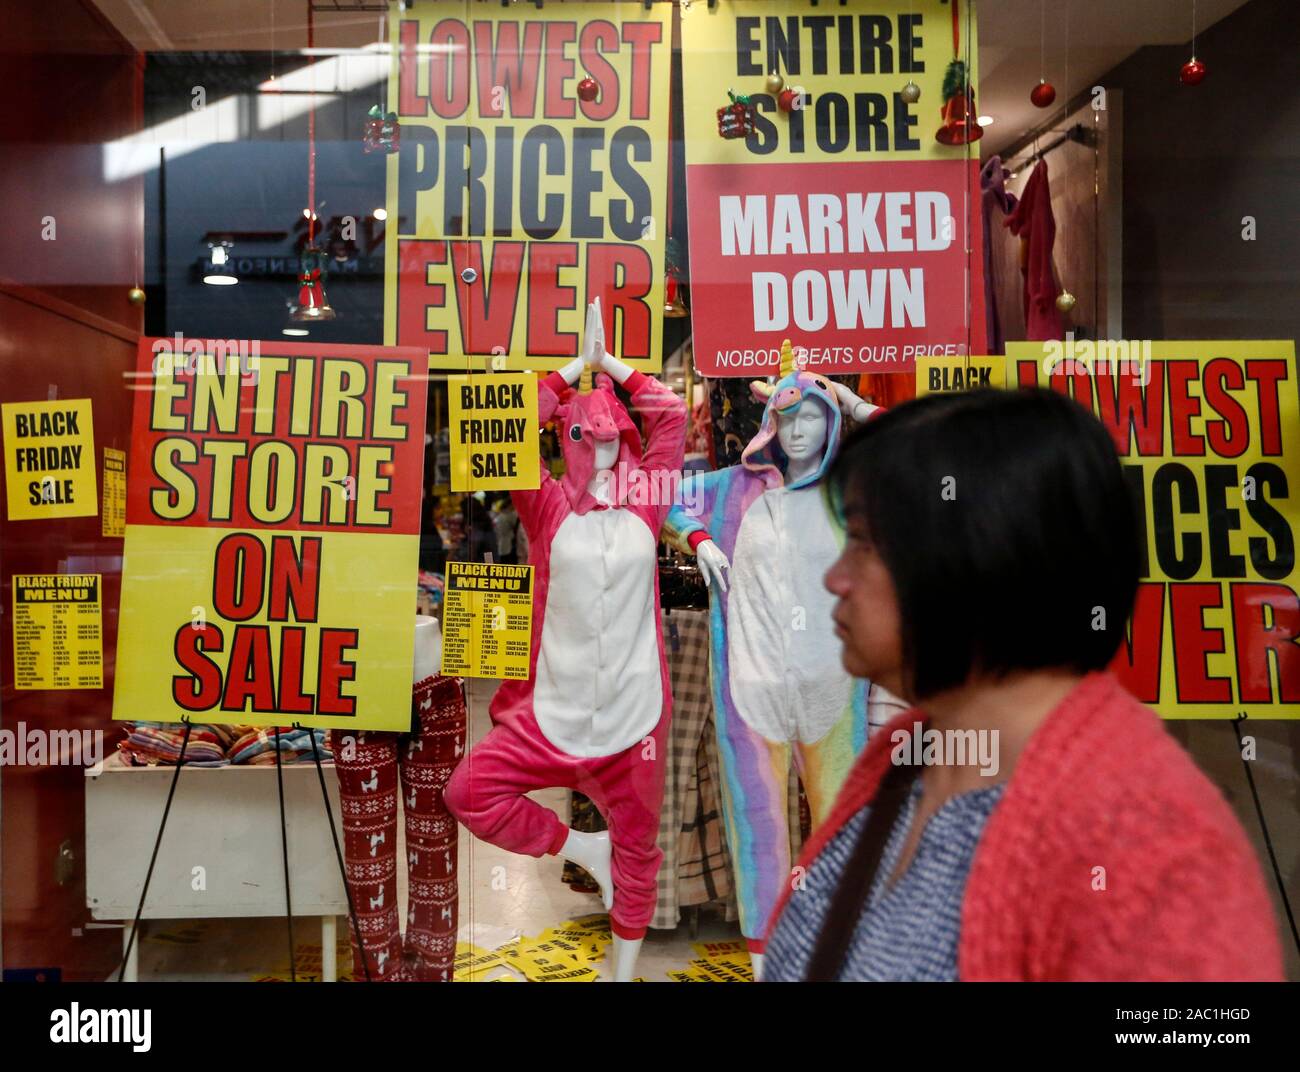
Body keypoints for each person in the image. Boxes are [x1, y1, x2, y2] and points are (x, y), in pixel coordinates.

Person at [763, 388, 1283, 982]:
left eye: (860, 541)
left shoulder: (1152, 842)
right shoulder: (906, 758)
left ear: (975, 556)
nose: (835, 578)